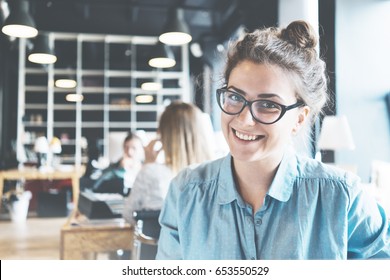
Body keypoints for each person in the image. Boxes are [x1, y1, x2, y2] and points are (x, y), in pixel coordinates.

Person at [156, 20, 390, 260]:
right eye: (235, 97)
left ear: (299, 119)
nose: (245, 119)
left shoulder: (342, 196)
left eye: (268, 104)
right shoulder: (186, 192)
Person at [123, 101, 214, 225]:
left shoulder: (151, 172)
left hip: (159, 244)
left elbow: (128, 215)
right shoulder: (214, 174)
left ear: (164, 135)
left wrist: (148, 163)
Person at [92, 131, 144, 196]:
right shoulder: (114, 168)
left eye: (134, 148)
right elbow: (96, 186)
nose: (129, 152)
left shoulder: (147, 169)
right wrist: (121, 170)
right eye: (126, 147)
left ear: (142, 149)